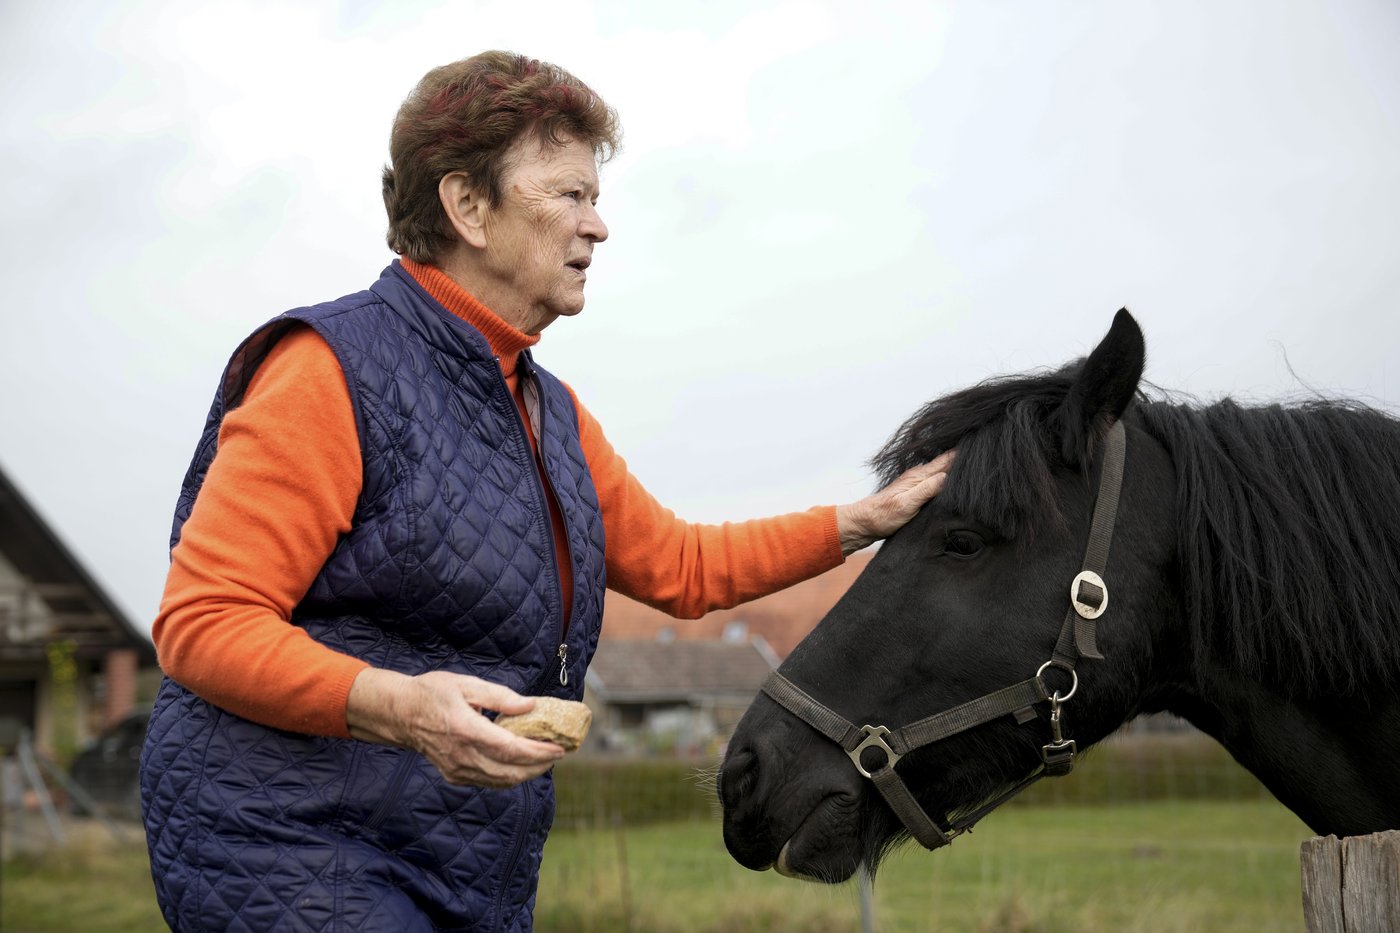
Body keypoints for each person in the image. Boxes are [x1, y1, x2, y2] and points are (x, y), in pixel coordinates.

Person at [138, 50, 952, 932]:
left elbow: (682, 566)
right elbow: (204, 622)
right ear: (468, 206)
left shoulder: (549, 413)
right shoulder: (328, 370)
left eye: (595, 197)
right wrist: (403, 708)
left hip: (456, 858)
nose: (597, 225)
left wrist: (862, 520)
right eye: (570, 194)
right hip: (283, 844)